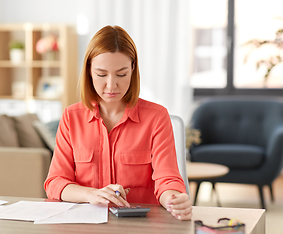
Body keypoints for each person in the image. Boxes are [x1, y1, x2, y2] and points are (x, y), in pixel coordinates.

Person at [44, 25, 192, 221]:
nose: (111, 85)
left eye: (121, 74)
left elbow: (167, 179)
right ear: (89, 71)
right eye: (102, 74)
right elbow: (55, 182)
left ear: (132, 68)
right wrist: (90, 194)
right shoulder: (72, 117)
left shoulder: (157, 117)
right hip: (85, 227)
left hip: (140, 227)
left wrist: (173, 199)